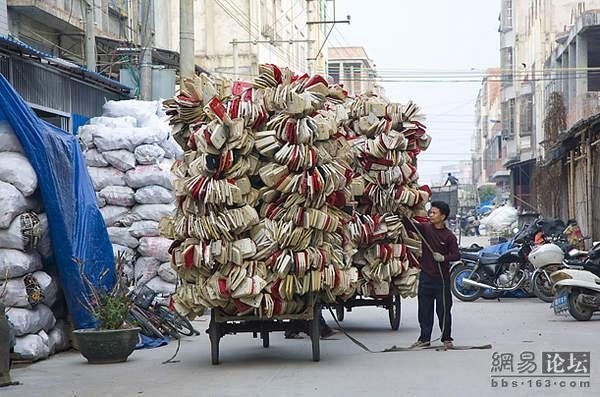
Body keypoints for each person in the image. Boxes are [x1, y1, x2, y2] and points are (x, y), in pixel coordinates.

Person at [404, 201, 460, 350]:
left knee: (443, 310)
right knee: (424, 310)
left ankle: (446, 338)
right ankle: (424, 338)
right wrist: (402, 212)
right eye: (430, 212)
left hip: (441, 280)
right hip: (426, 277)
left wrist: (443, 258)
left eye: (434, 213)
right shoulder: (425, 229)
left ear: (443, 216)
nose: (430, 215)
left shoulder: (449, 237)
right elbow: (409, 225)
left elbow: (456, 255)